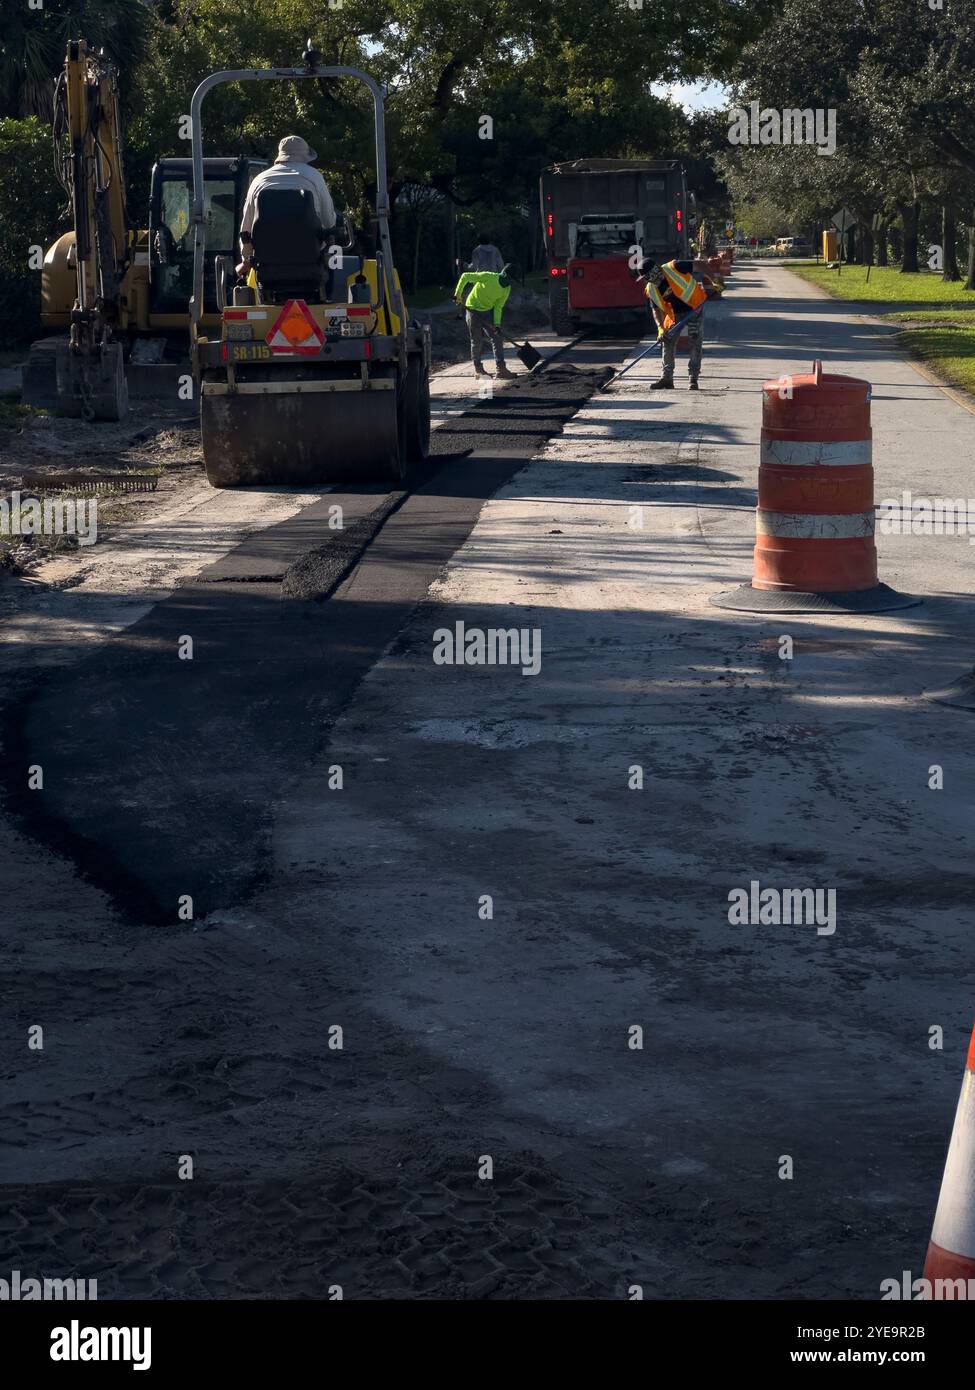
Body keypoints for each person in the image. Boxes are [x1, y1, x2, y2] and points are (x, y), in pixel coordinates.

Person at [237, 136, 337, 277]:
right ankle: (328, 295)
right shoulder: (314, 176)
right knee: (333, 259)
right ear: (305, 156)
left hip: (266, 262)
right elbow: (329, 221)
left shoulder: (259, 180)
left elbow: (246, 228)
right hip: (310, 257)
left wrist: (246, 259)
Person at [634, 256, 713, 391]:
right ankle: (667, 379)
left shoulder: (675, 267)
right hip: (674, 315)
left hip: (694, 309)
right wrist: (660, 328)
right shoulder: (651, 288)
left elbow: (701, 265)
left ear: (655, 270)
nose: (648, 280)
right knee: (667, 341)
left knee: (695, 341)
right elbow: (656, 310)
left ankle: (693, 379)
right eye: (645, 278)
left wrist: (712, 281)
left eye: (649, 276)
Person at [453, 264, 515, 378]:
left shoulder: (507, 289)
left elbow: (498, 307)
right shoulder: (488, 276)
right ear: (504, 274)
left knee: (497, 337)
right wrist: (458, 294)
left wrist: (496, 324)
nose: (508, 283)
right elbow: (465, 276)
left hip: (487, 312)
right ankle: (478, 369)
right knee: (476, 340)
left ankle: (501, 369)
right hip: (472, 310)